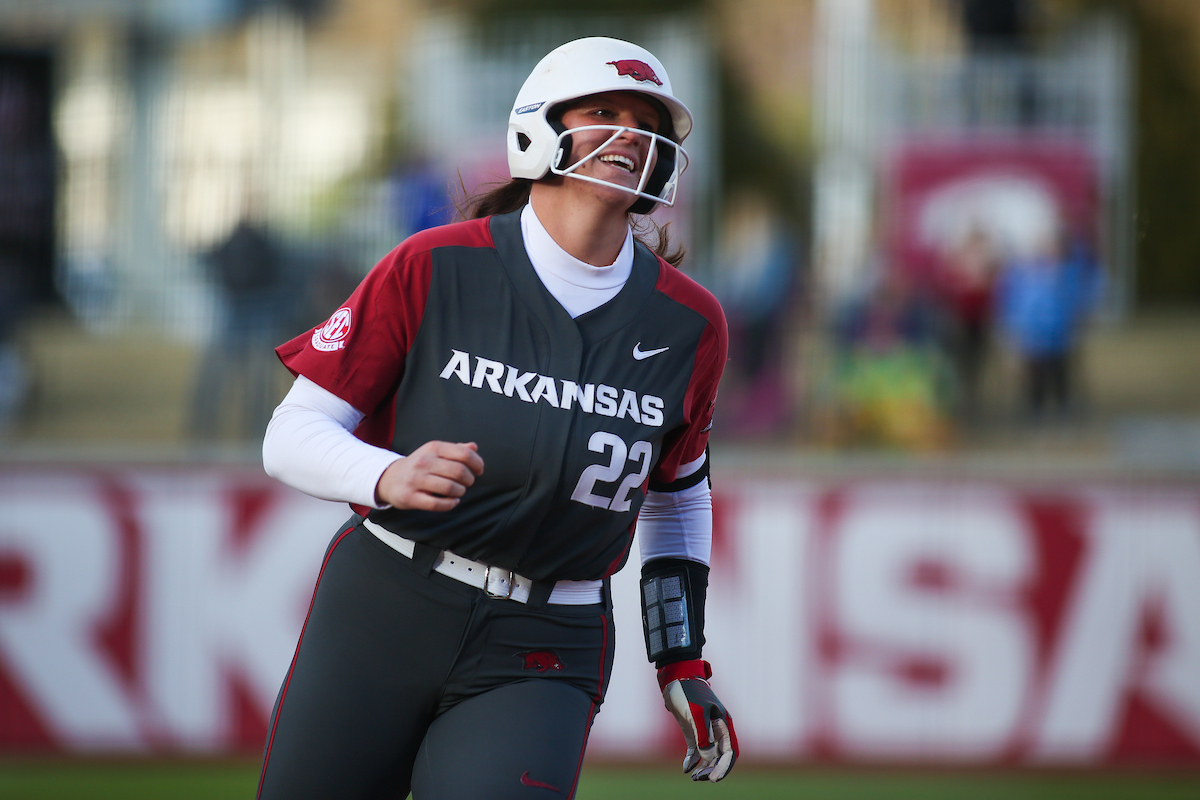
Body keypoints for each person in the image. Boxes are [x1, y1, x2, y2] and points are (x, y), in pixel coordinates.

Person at [257, 37, 738, 799]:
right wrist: (387, 473)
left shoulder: (692, 323)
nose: (631, 136)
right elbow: (289, 435)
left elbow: (678, 496)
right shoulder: (433, 265)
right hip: (386, 604)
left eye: (648, 123)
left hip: (546, 640)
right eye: (604, 112)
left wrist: (682, 661)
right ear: (540, 129)